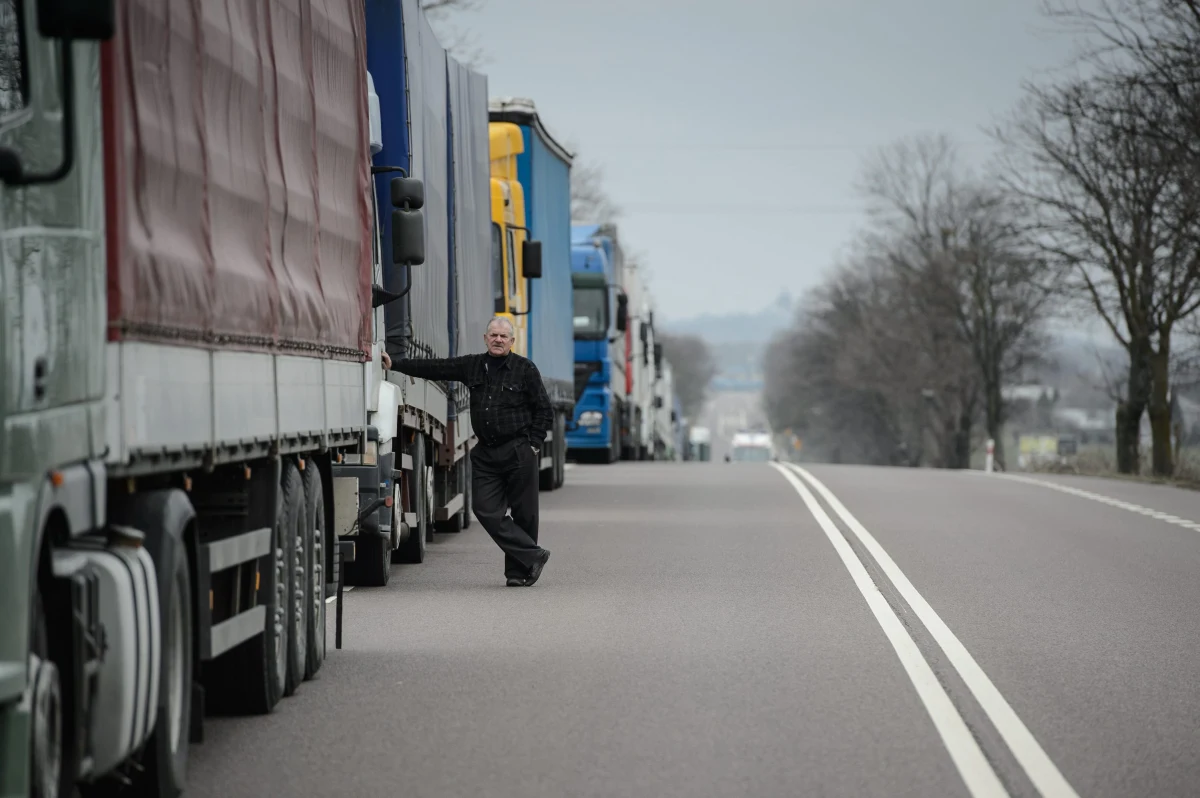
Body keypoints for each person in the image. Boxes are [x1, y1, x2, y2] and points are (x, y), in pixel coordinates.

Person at [383, 316, 552, 586]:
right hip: (486, 453)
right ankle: (533, 555)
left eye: (503, 336)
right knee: (485, 509)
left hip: (518, 450)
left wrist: (533, 444)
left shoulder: (525, 369)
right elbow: (436, 368)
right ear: (485, 338)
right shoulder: (473, 365)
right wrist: (397, 364)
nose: (498, 340)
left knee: (525, 514)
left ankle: (518, 573)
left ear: (512, 341)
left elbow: (544, 410)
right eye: (493, 335)